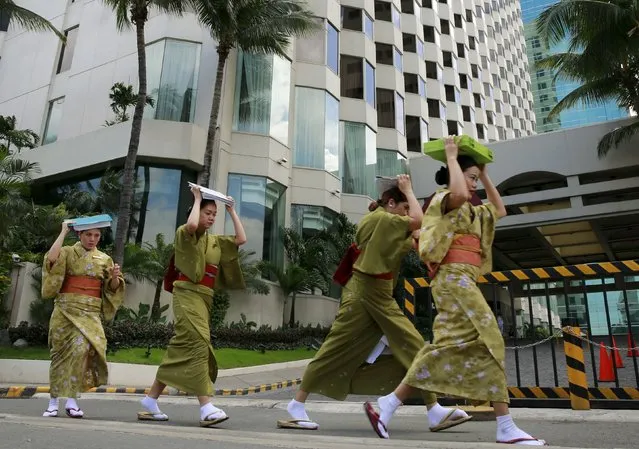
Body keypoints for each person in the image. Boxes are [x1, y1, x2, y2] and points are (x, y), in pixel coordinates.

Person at [364, 137, 547, 446]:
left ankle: (388, 404)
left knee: (446, 347)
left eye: (476, 179)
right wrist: (452, 157)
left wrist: (485, 174)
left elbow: (499, 209)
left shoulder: (475, 212)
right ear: (456, 175)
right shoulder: (445, 199)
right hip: (452, 280)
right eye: (472, 177)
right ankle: (505, 424)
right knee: (491, 338)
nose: (474, 184)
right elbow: (461, 192)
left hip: (463, 281)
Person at [277, 174, 471, 434]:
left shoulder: (387, 223)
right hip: (364, 294)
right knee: (336, 349)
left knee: (411, 347)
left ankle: (432, 408)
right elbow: (418, 220)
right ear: (391, 204)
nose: (406, 213)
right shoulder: (381, 219)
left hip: (376, 295)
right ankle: (296, 405)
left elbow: (415, 238)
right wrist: (409, 191)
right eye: (403, 207)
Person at [137, 185, 247, 427]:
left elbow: (241, 239)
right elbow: (190, 226)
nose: (211, 217)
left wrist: (231, 211)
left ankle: (150, 400)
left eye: (214, 214)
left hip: (204, 297)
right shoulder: (186, 233)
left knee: (181, 345)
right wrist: (197, 198)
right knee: (198, 342)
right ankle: (206, 406)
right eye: (207, 212)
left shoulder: (215, 241)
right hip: (186, 293)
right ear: (197, 211)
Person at [41, 218, 125, 418]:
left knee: (82, 351)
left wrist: (114, 277)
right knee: (58, 355)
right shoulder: (68, 252)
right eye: (88, 234)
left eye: (96, 235)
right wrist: (63, 232)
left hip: (89, 312)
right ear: (79, 234)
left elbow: (112, 290)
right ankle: (53, 401)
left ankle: (72, 400)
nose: (92, 239)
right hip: (65, 310)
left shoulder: (104, 259)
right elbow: (51, 261)